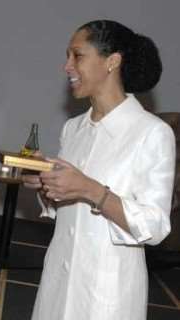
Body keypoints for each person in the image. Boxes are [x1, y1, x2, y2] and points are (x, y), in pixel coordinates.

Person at [22, 20, 176, 320]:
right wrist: (48, 184)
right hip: (58, 279)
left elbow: (155, 226)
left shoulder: (152, 133)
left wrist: (90, 189)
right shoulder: (73, 128)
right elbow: (69, 209)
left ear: (112, 61)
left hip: (108, 291)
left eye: (77, 56)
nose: (67, 66)